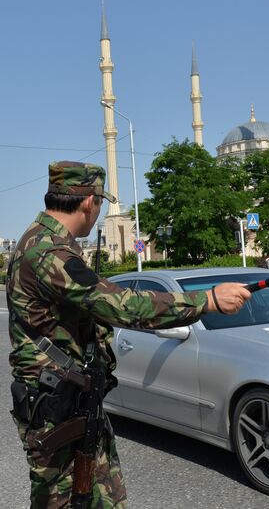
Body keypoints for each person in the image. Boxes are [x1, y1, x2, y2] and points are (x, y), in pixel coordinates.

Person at [7, 160, 251, 509]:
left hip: (67, 398)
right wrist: (208, 299)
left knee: (98, 494)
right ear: (90, 202)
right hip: (57, 407)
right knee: (63, 500)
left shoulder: (37, 239)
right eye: (100, 203)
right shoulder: (49, 252)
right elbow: (122, 305)